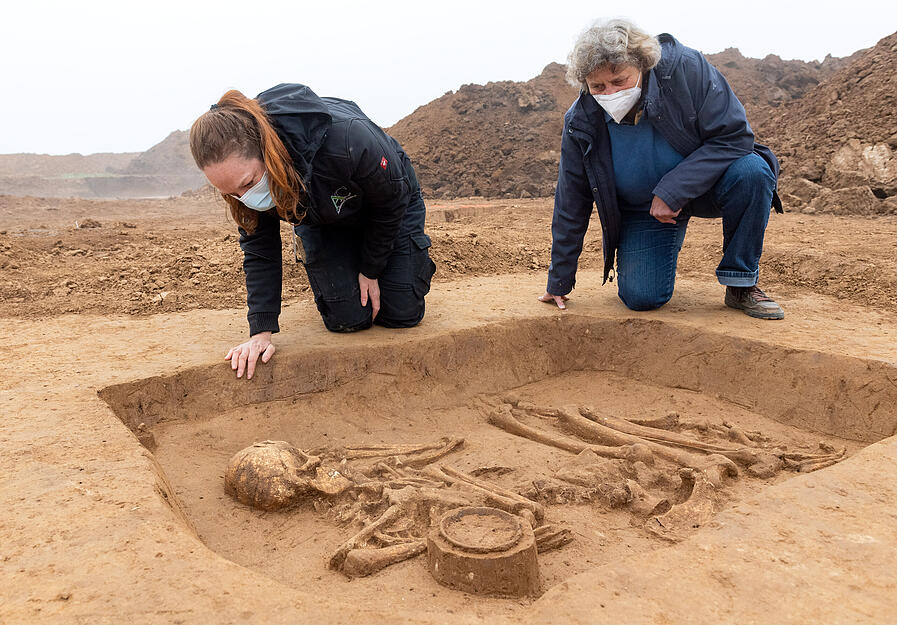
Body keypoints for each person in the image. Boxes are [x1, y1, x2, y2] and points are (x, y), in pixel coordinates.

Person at [540, 19, 784, 320]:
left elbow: (735, 136)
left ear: (642, 65)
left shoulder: (686, 69)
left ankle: (740, 283)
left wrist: (674, 190)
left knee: (753, 172)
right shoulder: (581, 121)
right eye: (597, 86)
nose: (610, 93)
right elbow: (571, 199)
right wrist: (560, 279)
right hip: (644, 209)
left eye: (619, 81)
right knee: (641, 297)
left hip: (710, 186)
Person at [190, 84, 437, 379]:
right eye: (230, 192)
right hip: (322, 217)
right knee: (347, 319)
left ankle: (386, 264)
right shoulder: (242, 188)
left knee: (402, 313)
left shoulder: (348, 140)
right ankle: (331, 255)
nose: (244, 197)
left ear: (267, 152)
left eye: (247, 183)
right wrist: (261, 332)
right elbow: (260, 249)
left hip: (387, 203)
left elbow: (390, 202)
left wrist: (370, 270)